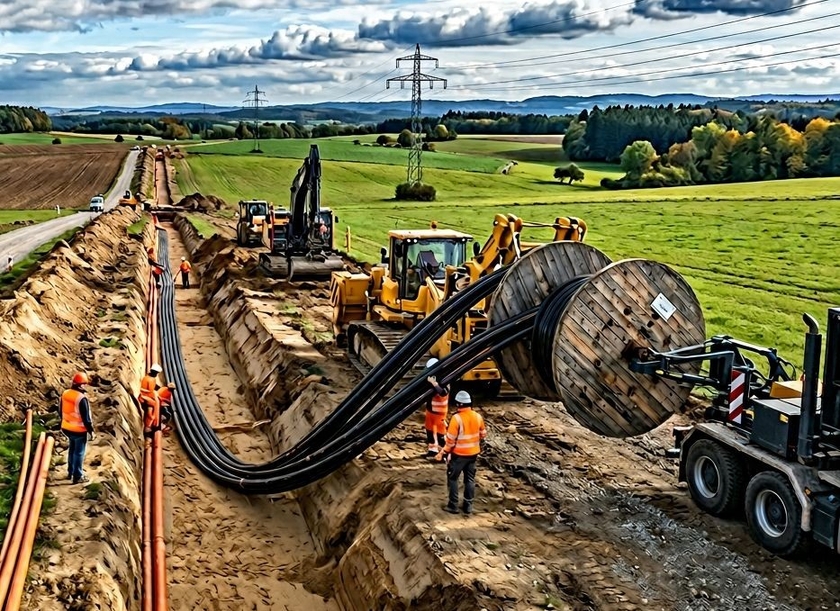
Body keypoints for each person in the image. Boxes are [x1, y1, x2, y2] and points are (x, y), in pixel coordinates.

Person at [436, 391, 486, 515]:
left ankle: (453, 505)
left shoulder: (456, 419)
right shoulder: (477, 416)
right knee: (469, 480)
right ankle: (468, 506)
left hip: (459, 455)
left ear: (458, 404)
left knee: (453, 478)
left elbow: (450, 442)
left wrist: (442, 452)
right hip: (473, 454)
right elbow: (483, 434)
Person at [60, 372, 95, 484]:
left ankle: (70, 472)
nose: (86, 386)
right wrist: (91, 431)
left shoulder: (65, 394)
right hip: (79, 430)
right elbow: (86, 419)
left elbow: (60, 410)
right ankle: (78, 476)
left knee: (72, 449)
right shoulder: (81, 399)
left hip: (66, 428)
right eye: (84, 384)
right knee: (79, 453)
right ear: (81, 385)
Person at [424, 358, 449, 457]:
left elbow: (443, 392)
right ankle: (432, 450)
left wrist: (434, 383)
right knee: (430, 431)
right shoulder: (433, 377)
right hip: (431, 410)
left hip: (439, 411)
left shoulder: (444, 378)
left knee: (440, 433)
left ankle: (446, 452)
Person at [138, 363, 162, 435]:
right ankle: (148, 427)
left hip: (143, 396)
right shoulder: (151, 380)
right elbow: (151, 390)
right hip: (147, 398)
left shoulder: (146, 377)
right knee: (151, 415)